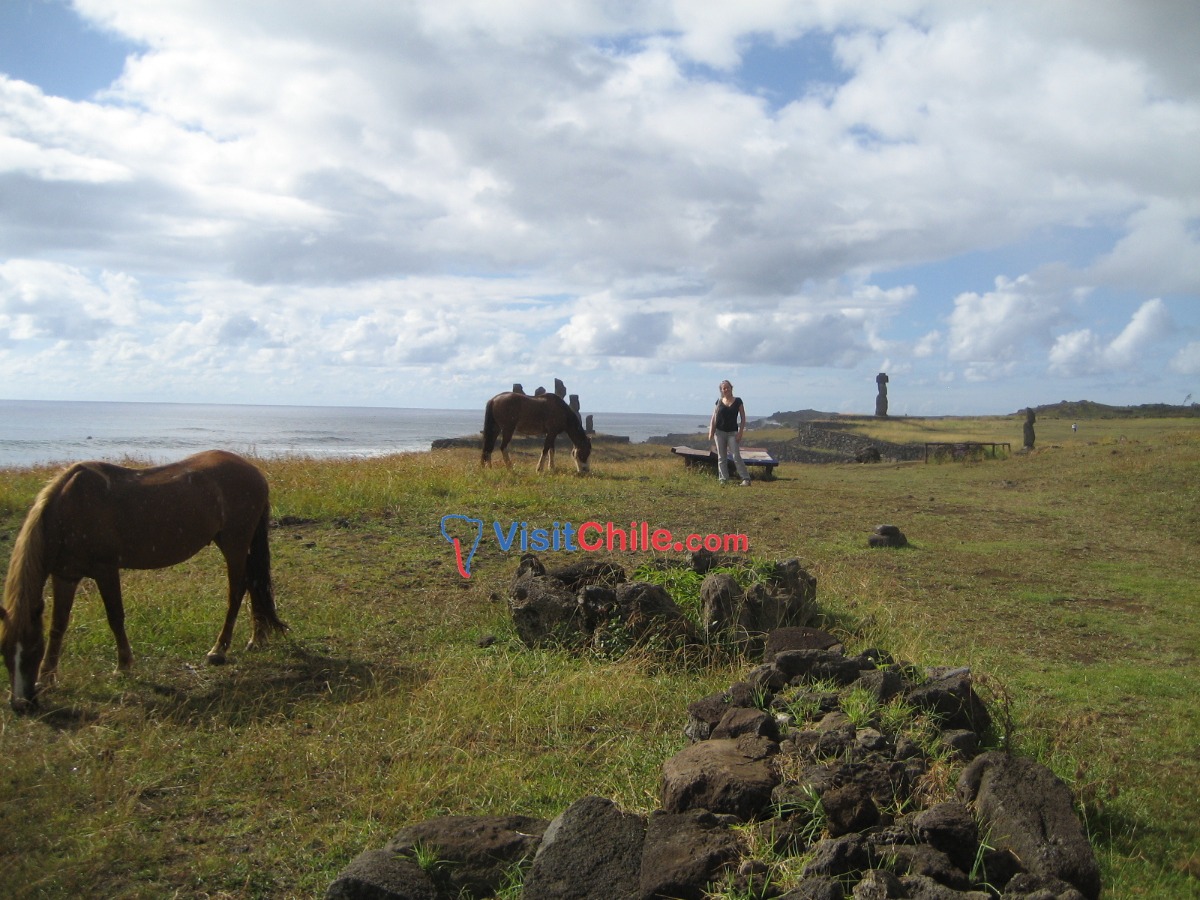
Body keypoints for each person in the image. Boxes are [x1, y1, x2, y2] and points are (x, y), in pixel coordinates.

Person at [708, 380, 751, 486]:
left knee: (736, 456)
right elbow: (714, 417)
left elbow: (743, 417)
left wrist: (740, 432)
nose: (726, 389)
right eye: (724, 388)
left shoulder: (738, 401)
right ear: (721, 390)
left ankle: (746, 479)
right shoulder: (719, 401)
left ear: (731, 388)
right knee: (721, 457)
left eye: (728, 387)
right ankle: (723, 479)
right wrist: (711, 431)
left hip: (733, 433)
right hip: (719, 432)